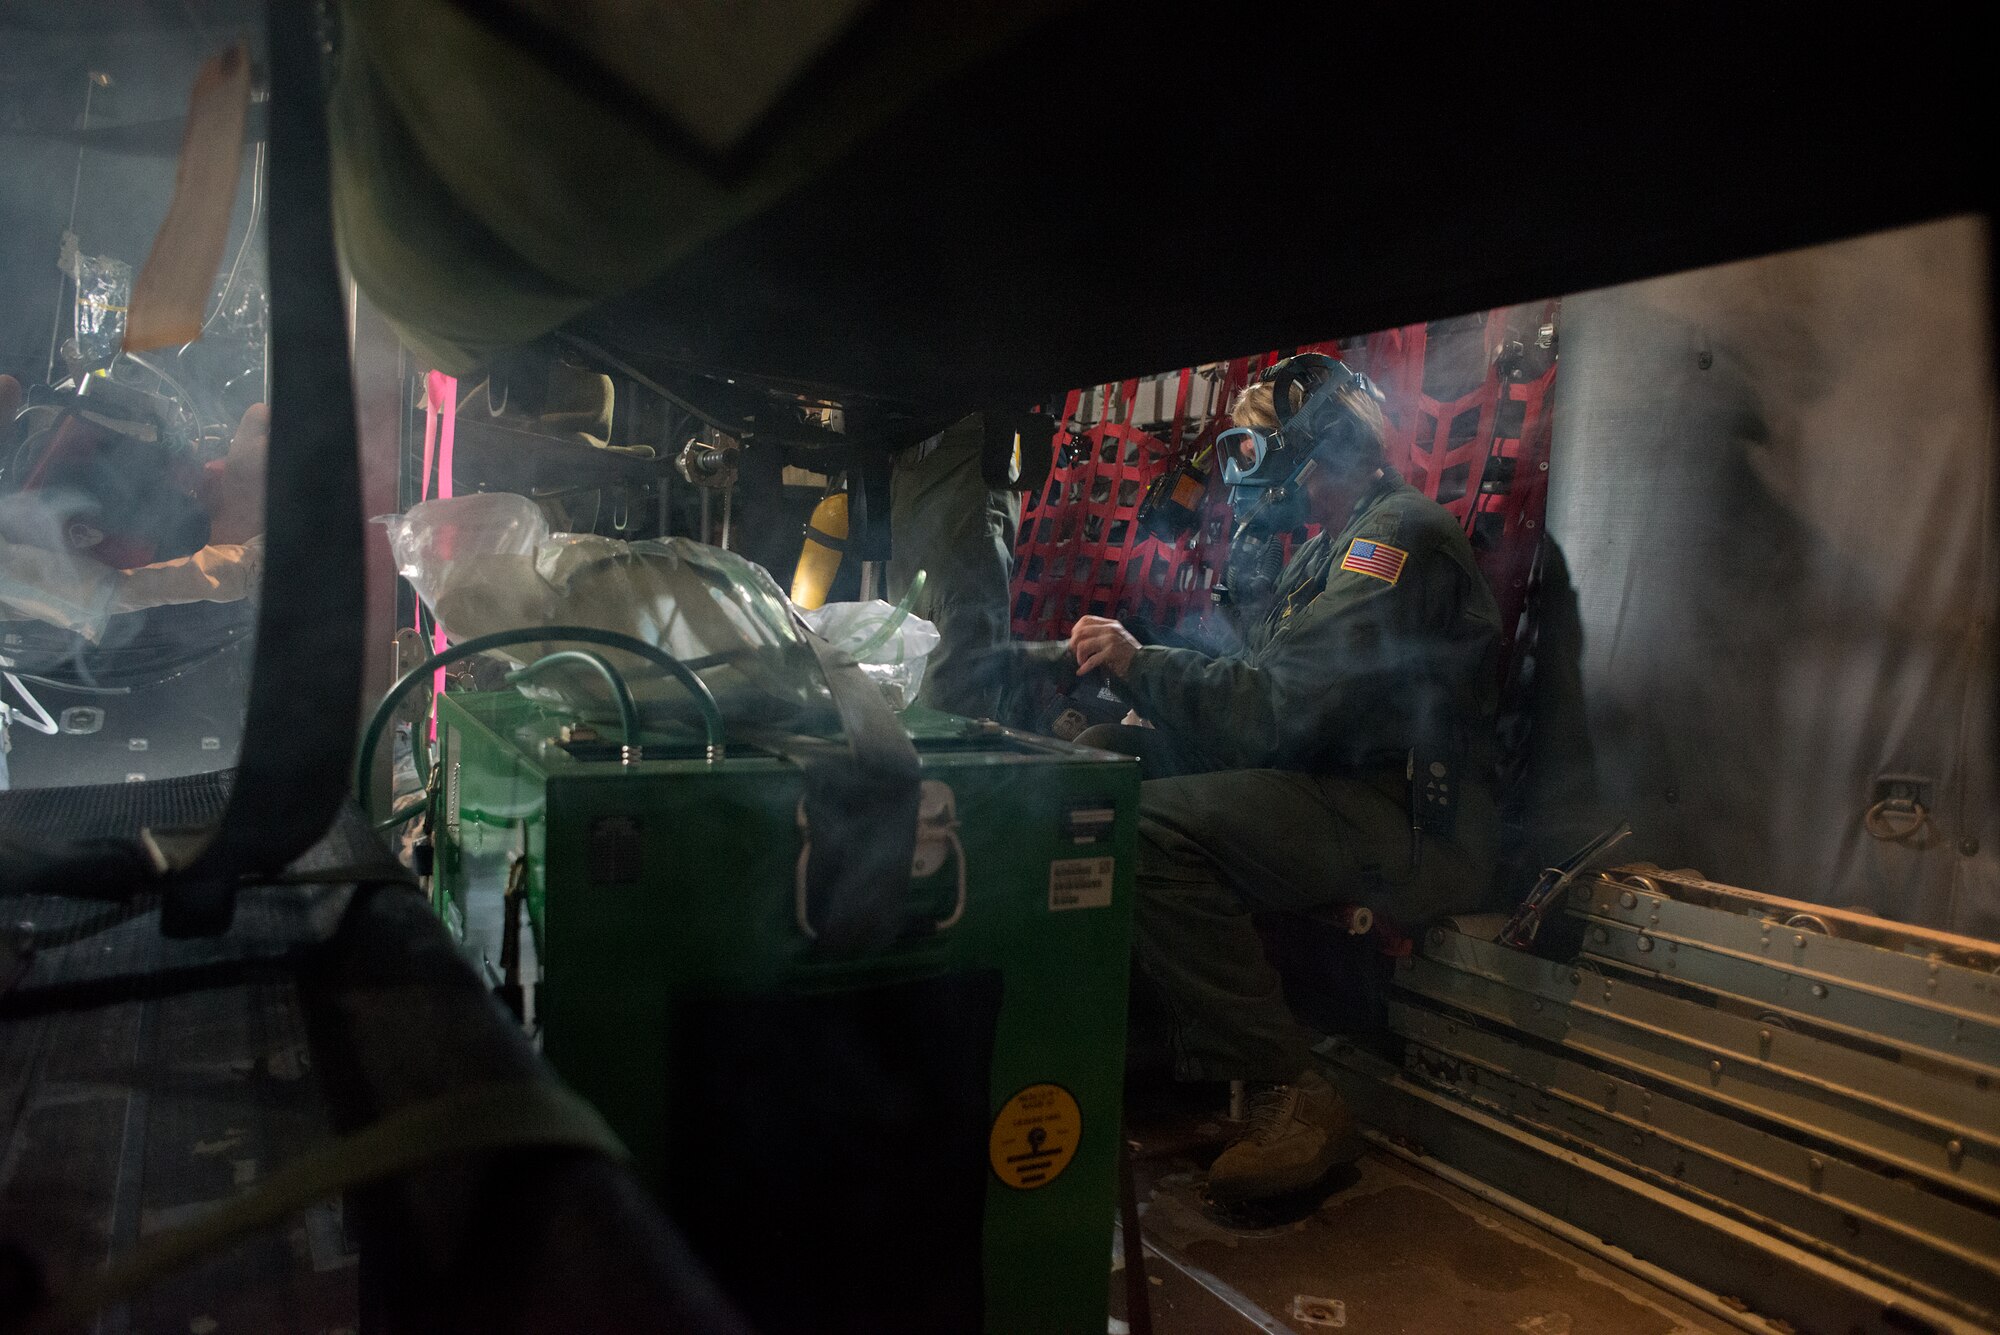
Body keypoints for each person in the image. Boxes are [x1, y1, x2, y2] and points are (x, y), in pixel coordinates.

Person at [1065, 354, 1503, 1205]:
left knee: (1151, 830)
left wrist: (1142, 666)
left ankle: (1291, 1090)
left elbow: (1275, 711)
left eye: (1256, 449)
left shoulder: (1394, 541)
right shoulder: (1327, 553)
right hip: (1331, 787)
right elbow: (1271, 700)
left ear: (1326, 448)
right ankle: (1138, 1041)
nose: (1241, 474)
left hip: (1408, 822)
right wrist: (1148, 718)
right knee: (1099, 765)